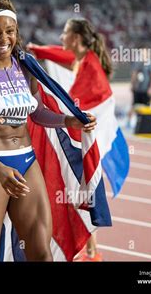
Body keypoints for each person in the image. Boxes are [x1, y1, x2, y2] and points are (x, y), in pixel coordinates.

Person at [0, 0, 97, 261]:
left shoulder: (26, 66)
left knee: (42, 253)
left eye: (9, 31)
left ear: (17, 31)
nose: (3, 39)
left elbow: (38, 113)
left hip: (27, 162)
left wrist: (70, 121)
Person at [28, 17, 113, 261]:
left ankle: (91, 251)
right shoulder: (80, 59)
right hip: (87, 133)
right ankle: (90, 249)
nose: (61, 38)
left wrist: (64, 119)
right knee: (77, 188)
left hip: (91, 135)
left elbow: (81, 105)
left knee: (79, 187)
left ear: (75, 39)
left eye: (65, 33)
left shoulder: (90, 66)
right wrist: (35, 50)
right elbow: (57, 54)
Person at [128, 47, 151, 128]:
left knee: (147, 107)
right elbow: (134, 74)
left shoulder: (150, 64)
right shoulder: (137, 63)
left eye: (145, 53)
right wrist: (132, 85)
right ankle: (129, 122)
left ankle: (147, 123)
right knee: (133, 106)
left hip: (146, 90)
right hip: (137, 89)